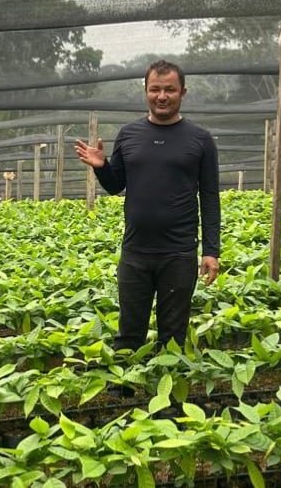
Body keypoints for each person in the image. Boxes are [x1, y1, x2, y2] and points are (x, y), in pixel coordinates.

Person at [74, 60, 221, 360]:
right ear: (146, 91)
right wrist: (102, 168)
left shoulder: (200, 139)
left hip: (178, 253)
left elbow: (209, 197)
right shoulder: (129, 135)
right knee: (129, 332)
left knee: (173, 336)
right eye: (155, 89)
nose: (162, 96)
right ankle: (125, 395)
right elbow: (116, 186)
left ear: (183, 92)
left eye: (170, 89)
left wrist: (211, 251)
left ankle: (167, 405)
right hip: (135, 252)